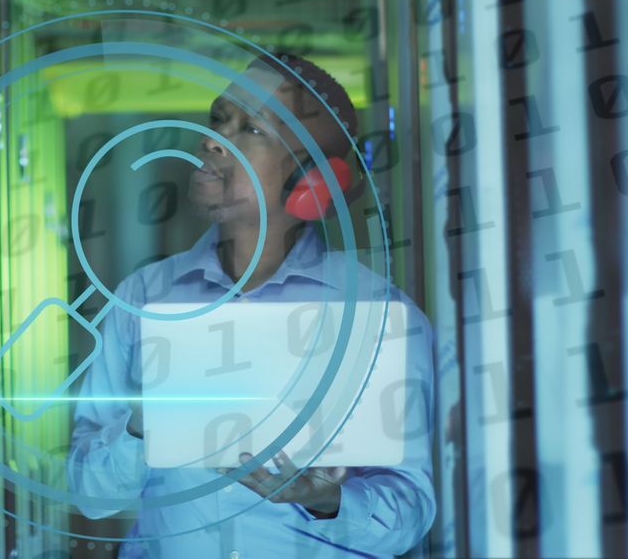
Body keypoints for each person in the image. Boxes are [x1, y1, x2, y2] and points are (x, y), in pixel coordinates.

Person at [66, 52, 436, 558]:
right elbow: (91, 497)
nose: (212, 140)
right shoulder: (142, 298)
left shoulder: (377, 318)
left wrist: (328, 501)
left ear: (311, 180)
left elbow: (408, 513)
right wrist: (139, 426)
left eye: (251, 129)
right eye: (218, 118)